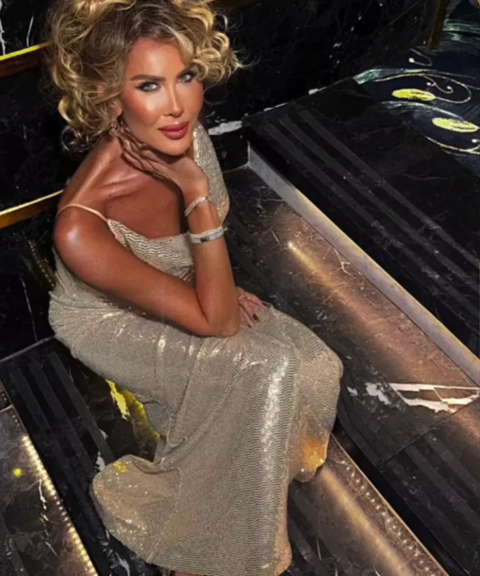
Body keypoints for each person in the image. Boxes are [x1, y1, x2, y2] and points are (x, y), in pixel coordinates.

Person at [45, 1, 343, 575]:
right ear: (108, 97)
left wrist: (209, 284)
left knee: (311, 367)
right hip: (104, 319)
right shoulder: (80, 224)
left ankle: (253, 467)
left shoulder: (185, 135)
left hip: (174, 289)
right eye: (149, 85)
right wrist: (196, 195)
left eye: (185, 76)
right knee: (264, 369)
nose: (177, 105)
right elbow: (219, 322)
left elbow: (200, 276)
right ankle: (216, 545)